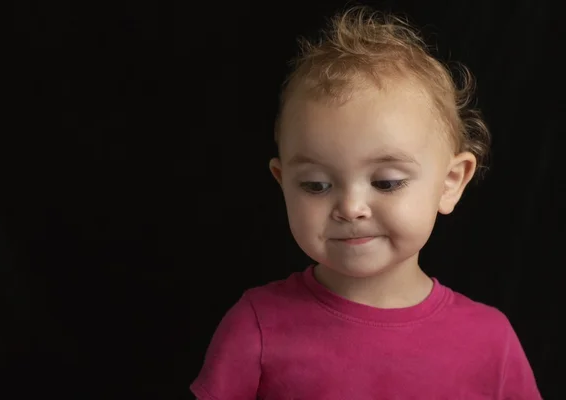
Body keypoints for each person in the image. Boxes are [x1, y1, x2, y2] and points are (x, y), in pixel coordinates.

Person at [190, 5, 542, 399]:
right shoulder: (255, 327)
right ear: (283, 182)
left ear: (450, 182)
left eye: (387, 182)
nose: (351, 207)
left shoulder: (491, 342)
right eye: (317, 185)